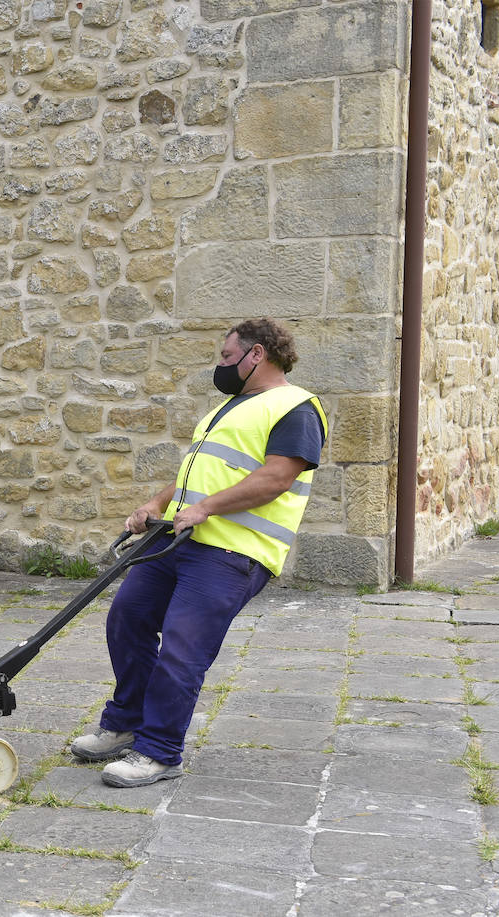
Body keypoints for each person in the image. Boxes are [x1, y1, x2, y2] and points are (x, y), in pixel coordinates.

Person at [69, 318, 327, 788]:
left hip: (233, 552)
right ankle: (127, 723)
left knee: (184, 648)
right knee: (127, 618)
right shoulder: (227, 410)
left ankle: (160, 751)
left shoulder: (296, 407)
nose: (221, 365)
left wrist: (206, 509)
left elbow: (277, 478)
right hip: (178, 541)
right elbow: (197, 474)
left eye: (228, 357)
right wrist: (156, 503)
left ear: (256, 355)